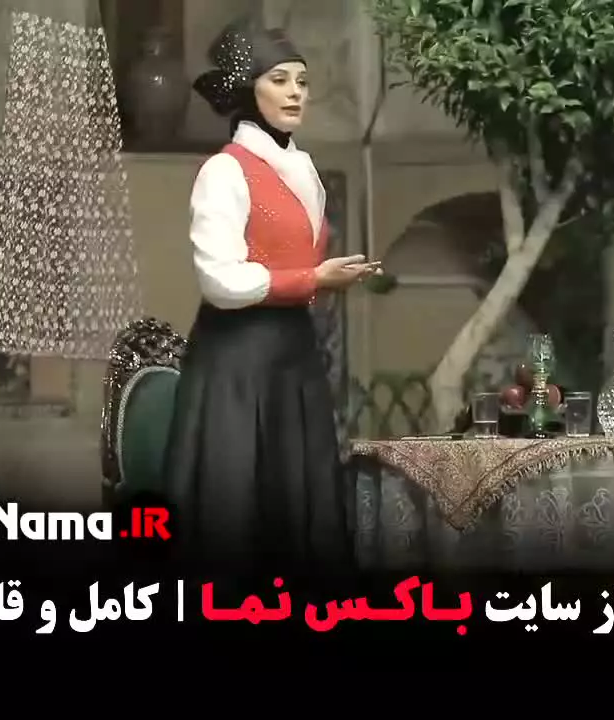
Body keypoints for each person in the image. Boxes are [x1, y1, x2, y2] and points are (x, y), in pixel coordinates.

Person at [163, 16, 379, 577]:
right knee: (238, 516)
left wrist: (324, 278)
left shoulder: (304, 169)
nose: (294, 93)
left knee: (303, 518)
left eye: (301, 82)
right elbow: (219, 280)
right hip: (237, 365)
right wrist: (312, 280)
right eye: (279, 80)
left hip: (295, 359)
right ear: (248, 90)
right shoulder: (224, 172)